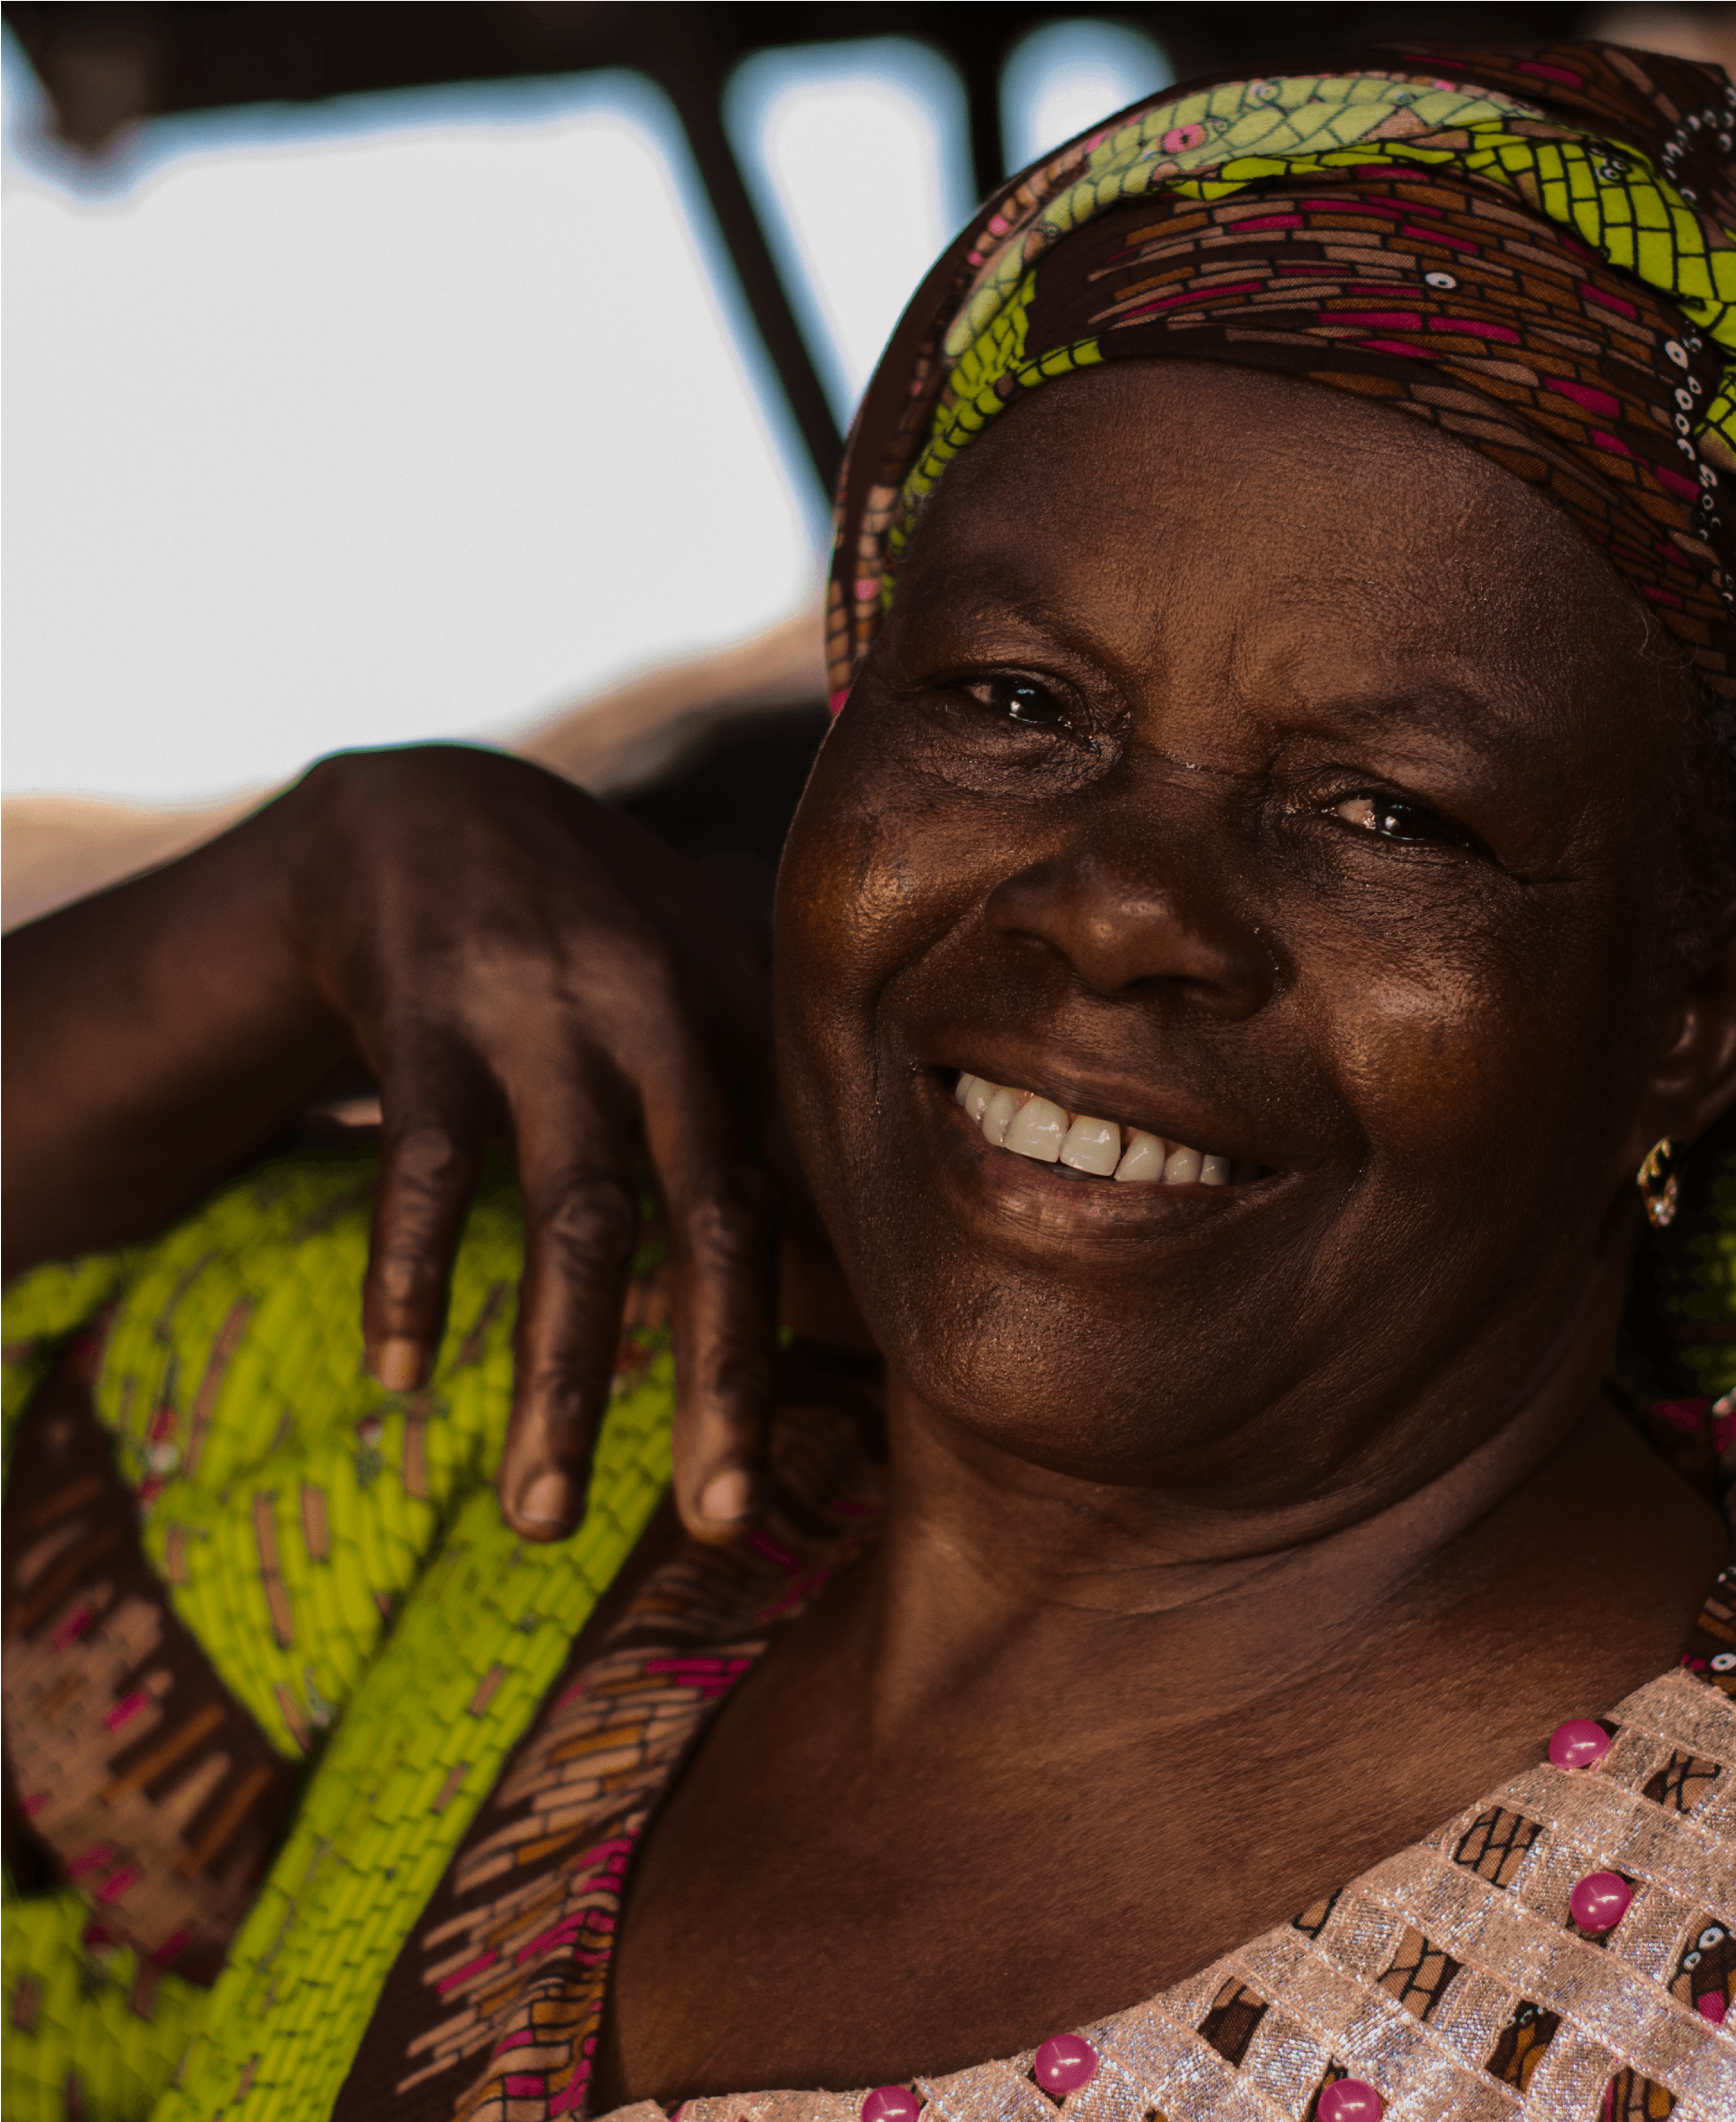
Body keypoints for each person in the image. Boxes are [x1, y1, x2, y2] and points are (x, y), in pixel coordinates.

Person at [4, 36, 1735, 2122]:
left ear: (1681, 1017)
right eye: (1009, 698)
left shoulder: (1677, 1978)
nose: (1115, 913)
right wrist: (300, 889)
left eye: (1383, 811)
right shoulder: (545, 1418)